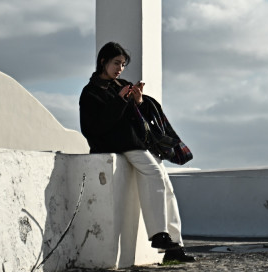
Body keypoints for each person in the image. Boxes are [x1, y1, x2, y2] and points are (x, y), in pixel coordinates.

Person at [79, 42, 195, 263]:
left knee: (166, 185)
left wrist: (138, 100)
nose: (120, 68)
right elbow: (93, 128)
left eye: (122, 64)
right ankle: (159, 234)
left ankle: (175, 245)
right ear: (103, 61)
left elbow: (137, 117)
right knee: (153, 173)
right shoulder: (91, 92)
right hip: (116, 145)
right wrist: (120, 100)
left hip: (136, 143)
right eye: (116, 63)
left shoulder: (121, 85)